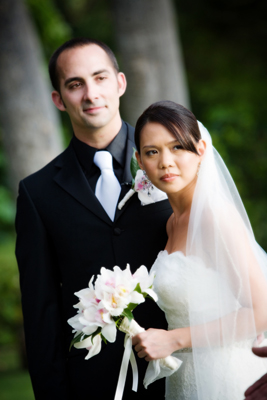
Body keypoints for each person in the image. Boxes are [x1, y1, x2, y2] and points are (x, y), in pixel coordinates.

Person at [15, 38, 172, 400]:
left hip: (181, 369)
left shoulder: (172, 161)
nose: (90, 94)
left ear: (119, 83)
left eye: (99, 78)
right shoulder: (38, 194)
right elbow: (41, 313)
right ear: (58, 99)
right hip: (92, 383)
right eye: (75, 84)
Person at [132, 100, 267, 400]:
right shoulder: (172, 223)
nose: (166, 161)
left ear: (201, 150)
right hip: (185, 378)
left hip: (225, 377)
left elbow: (262, 311)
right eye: (153, 152)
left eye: (177, 147)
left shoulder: (215, 216)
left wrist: (173, 340)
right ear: (140, 161)